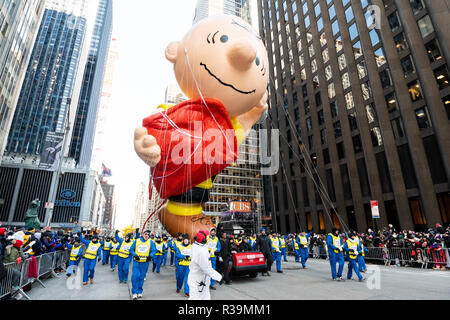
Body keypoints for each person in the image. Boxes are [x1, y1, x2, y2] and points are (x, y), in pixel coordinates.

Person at [187, 230, 222, 300]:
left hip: (201, 279)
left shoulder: (196, 246)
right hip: (198, 280)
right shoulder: (201, 251)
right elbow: (206, 268)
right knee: (196, 298)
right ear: (203, 239)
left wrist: (211, 253)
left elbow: (204, 252)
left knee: (205, 297)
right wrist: (219, 277)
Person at [129, 230, 156, 299]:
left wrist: (150, 255)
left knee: (141, 277)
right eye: (145, 234)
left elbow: (154, 250)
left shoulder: (151, 242)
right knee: (135, 276)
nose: (147, 235)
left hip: (145, 262)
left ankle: (139, 292)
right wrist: (135, 255)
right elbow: (131, 249)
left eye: (148, 234)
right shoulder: (137, 241)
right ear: (142, 234)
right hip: (137, 262)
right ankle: (134, 292)